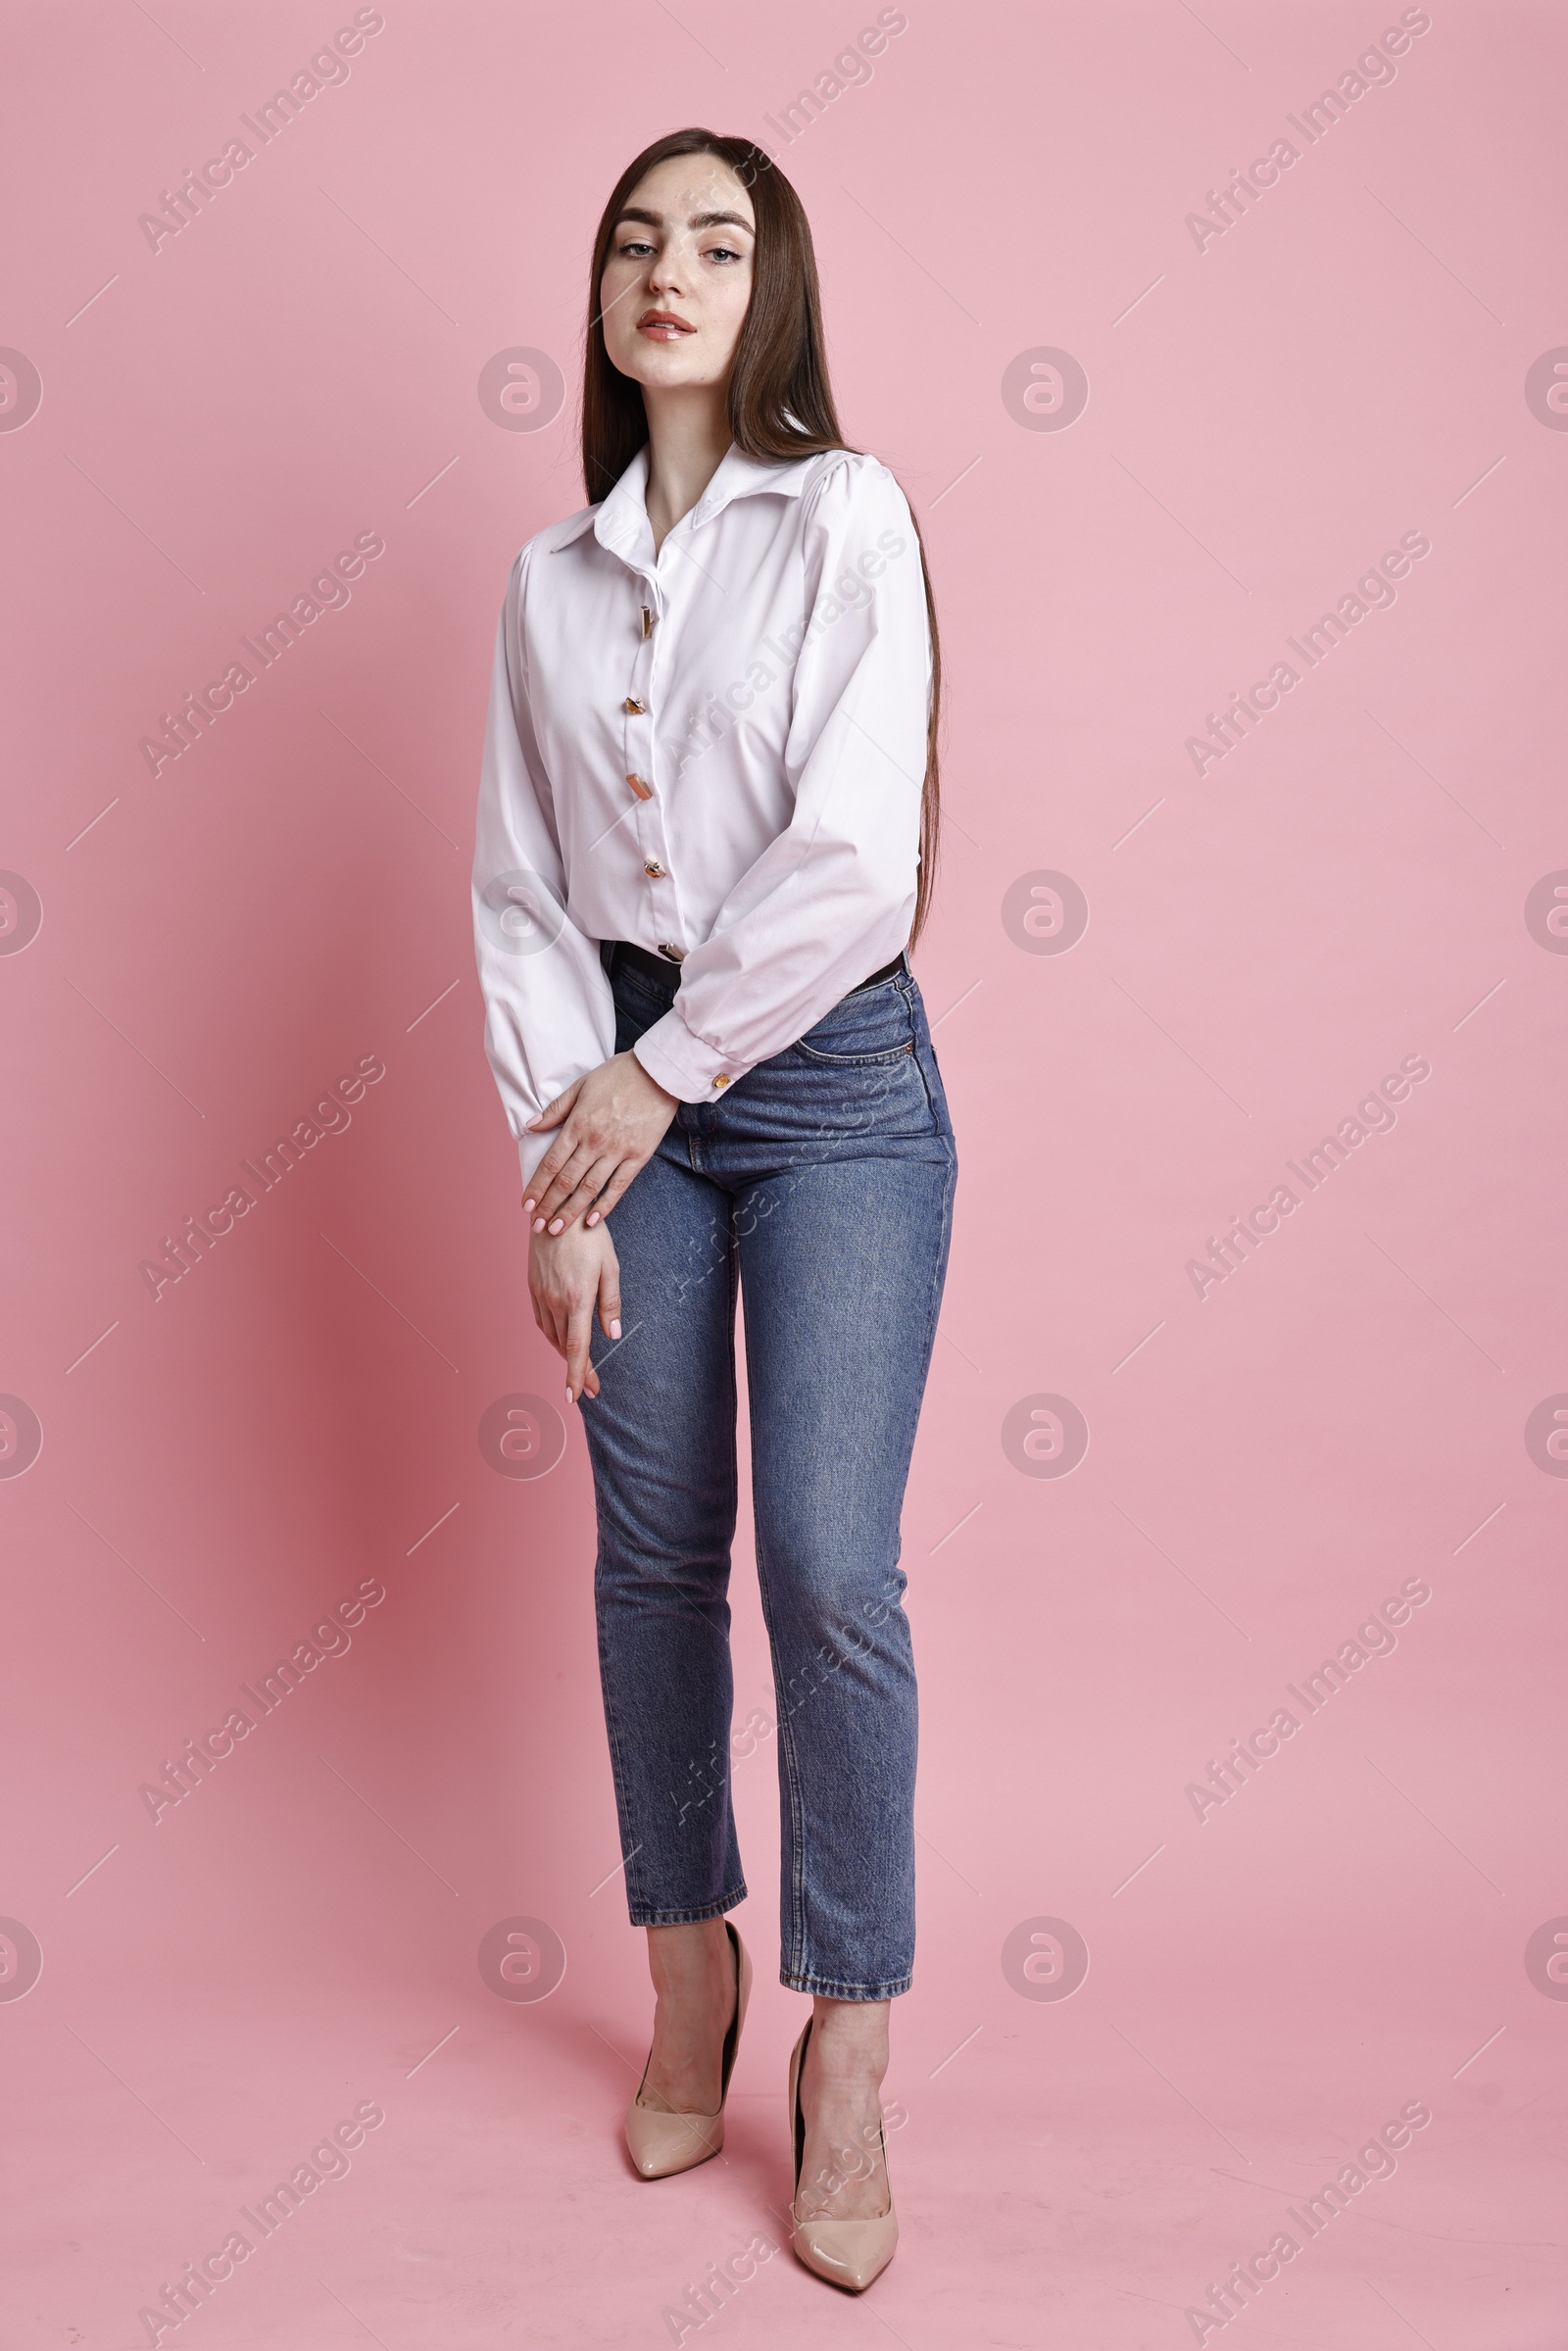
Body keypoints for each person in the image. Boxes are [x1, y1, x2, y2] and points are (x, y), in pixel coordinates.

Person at [471, 126, 956, 2293]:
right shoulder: (542, 586)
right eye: (634, 241)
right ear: (598, 299)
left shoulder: (847, 513)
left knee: (828, 1567)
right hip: (613, 1074)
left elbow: (857, 859)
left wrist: (658, 1084)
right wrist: (554, 1167)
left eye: (718, 239)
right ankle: (692, 1967)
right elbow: (516, 897)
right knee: (646, 1555)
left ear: (773, 290)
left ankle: (846, 2041)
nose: (670, 270)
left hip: (828, 1074)